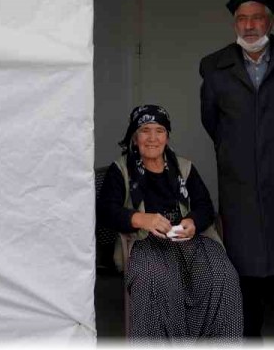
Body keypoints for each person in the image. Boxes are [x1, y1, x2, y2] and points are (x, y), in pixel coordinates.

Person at [199, 0, 274, 339]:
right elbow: (212, 122)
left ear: (271, 22)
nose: (250, 25)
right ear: (234, 24)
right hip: (239, 186)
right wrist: (239, 153)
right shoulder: (214, 67)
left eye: (257, 18)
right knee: (245, 282)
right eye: (242, 19)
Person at [96, 104, 243, 340]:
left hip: (189, 240)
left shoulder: (184, 167)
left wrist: (193, 222)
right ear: (134, 136)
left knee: (222, 274)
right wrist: (142, 219)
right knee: (156, 280)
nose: (152, 138)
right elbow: (105, 211)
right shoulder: (120, 169)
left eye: (159, 131)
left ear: (167, 136)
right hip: (146, 242)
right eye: (145, 130)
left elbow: (205, 206)